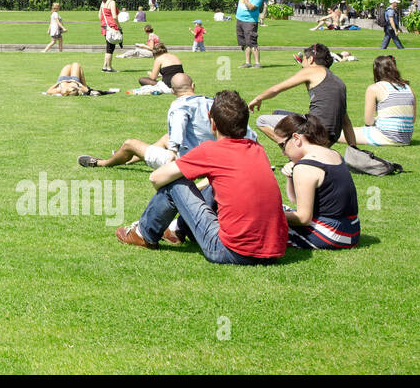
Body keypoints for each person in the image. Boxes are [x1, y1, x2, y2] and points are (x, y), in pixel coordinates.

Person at [115, 90, 288, 264]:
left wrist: (176, 197)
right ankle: (180, 229)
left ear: (212, 122)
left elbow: (156, 177)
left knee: (174, 182)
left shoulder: (211, 150)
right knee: (215, 185)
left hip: (230, 251)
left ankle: (143, 234)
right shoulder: (257, 150)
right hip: (274, 250)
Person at [81, 73, 226, 168]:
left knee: (129, 144)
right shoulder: (211, 101)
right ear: (193, 86)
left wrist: (173, 151)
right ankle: (128, 160)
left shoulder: (179, 106)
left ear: (173, 91)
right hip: (215, 156)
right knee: (165, 138)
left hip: (186, 162)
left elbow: (178, 125)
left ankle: (102, 163)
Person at [271, 113, 360, 249]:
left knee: (262, 226)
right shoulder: (332, 153)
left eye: (282, 146)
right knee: (279, 209)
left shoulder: (306, 166)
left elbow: (303, 218)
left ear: (296, 138)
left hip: (332, 233)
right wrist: (290, 177)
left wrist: (269, 214)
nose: (283, 153)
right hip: (352, 229)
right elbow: (295, 200)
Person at [250, 43, 355, 147]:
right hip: (331, 137)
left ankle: (292, 150)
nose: (301, 64)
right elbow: (346, 122)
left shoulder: (312, 70)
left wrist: (258, 98)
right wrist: (353, 148)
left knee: (262, 121)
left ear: (311, 60)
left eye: (303, 59)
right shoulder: (338, 82)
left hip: (314, 130)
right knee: (277, 114)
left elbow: (276, 89)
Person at [353, 55, 415, 146]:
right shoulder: (408, 88)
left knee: (342, 132)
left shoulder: (374, 88)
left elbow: (368, 121)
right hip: (405, 138)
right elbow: (412, 119)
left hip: (385, 136)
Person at [235, 0, 267, 68]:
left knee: (252, 42)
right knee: (244, 43)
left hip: (250, 21)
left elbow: (251, 7)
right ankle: (247, 63)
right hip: (240, 19)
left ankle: (257, 63)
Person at [44, 62, 110, 96]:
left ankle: (84, 84)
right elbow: (87, 91)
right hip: (74, 79)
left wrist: (59, 83)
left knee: (68, 66)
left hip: (62, 80)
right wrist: (79, 84)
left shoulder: (60, 90)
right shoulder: (76, 89)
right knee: (76, 64)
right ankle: (85, 84)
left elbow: (48, 91)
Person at [98, 0, 121, 72]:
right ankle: (109, 68)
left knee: (108, 46)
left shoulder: (103, 2)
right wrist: (118, 25)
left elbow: (99, 16)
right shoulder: (112, 2)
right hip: (111, 26)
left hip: (104, 26)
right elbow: (114, 16)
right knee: (110, 48)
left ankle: (104, 66)